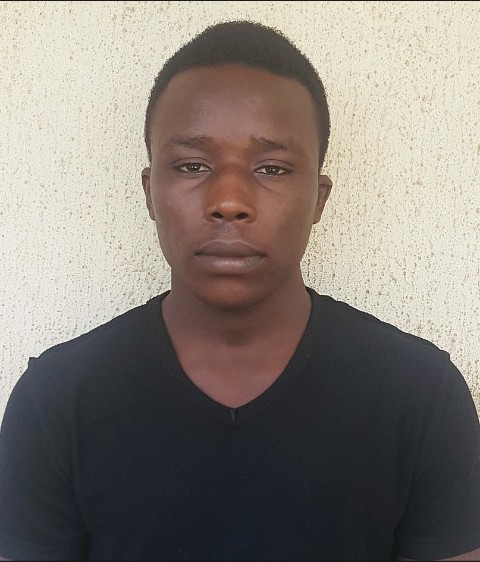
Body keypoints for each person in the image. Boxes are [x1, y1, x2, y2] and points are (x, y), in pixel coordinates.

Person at [0, 20, 479, 561]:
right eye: (192, 165)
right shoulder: (56, 401)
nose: (228, 201)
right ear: (150, 193)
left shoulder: (420, 395)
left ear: (319, 198)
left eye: (271, 168)